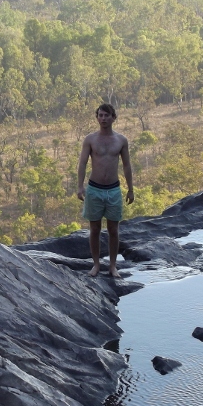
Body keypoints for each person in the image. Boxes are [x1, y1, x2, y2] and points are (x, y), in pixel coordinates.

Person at [77, 103, 134, 278]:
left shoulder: (121, 140)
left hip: (113, 190)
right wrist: (80, 186)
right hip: (94, 189)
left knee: (113, 230)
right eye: (100, 115)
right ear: (97, 118)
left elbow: (126, 165)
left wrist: (131, 189)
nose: (103, 119)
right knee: (94, 229)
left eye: (106, 115)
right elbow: (83, 163)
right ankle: (96, 265)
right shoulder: (90, 139)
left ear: (113, 118)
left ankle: (112, 266)